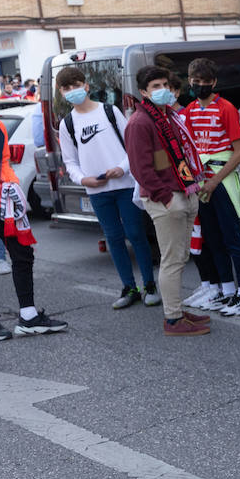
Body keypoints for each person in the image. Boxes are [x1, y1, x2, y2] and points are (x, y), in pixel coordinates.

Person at [55, 66, 158, 310]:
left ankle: (150, 285)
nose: (72, 91)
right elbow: (70, 162)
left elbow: (133, 146)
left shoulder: (110, 111)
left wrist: (122, 168)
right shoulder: (67, 123)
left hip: (125, 184)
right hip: (97, 190)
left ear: (86, 86)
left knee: (135, 233)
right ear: (61, 92)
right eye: (67, 88)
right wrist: (83, 180)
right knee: (113, 238)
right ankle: (129, 287)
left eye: (76, 85)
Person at [125, 65, 211, 337]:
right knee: (172, 260)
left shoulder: (168, 117)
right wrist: (165, 198)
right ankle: (173, 319)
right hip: (166, 198)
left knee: (180, 257)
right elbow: (141, 169)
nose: (162, 91)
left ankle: (176, 309)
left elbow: (176, 156)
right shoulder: (140, 122)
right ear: (143, 93)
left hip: (183, 191)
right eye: (155, 87)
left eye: (165, 84)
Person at [180, 58, 240, 316]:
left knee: (232, 238)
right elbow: (189, 149)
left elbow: (239, 151)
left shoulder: (226, 108)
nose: (200, 86)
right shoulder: (189, 110)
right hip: (200, 180)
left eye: (205, 82)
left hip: (220, 179)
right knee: (212, 238)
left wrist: (213, 181)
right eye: (195, 82)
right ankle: (227, 290)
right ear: (189, 82)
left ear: (214, 82)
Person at [0, 109, 68, 340]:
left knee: (22, 253)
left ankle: (29, 316)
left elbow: (3, 163)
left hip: (1, 201)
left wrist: (13, 187)